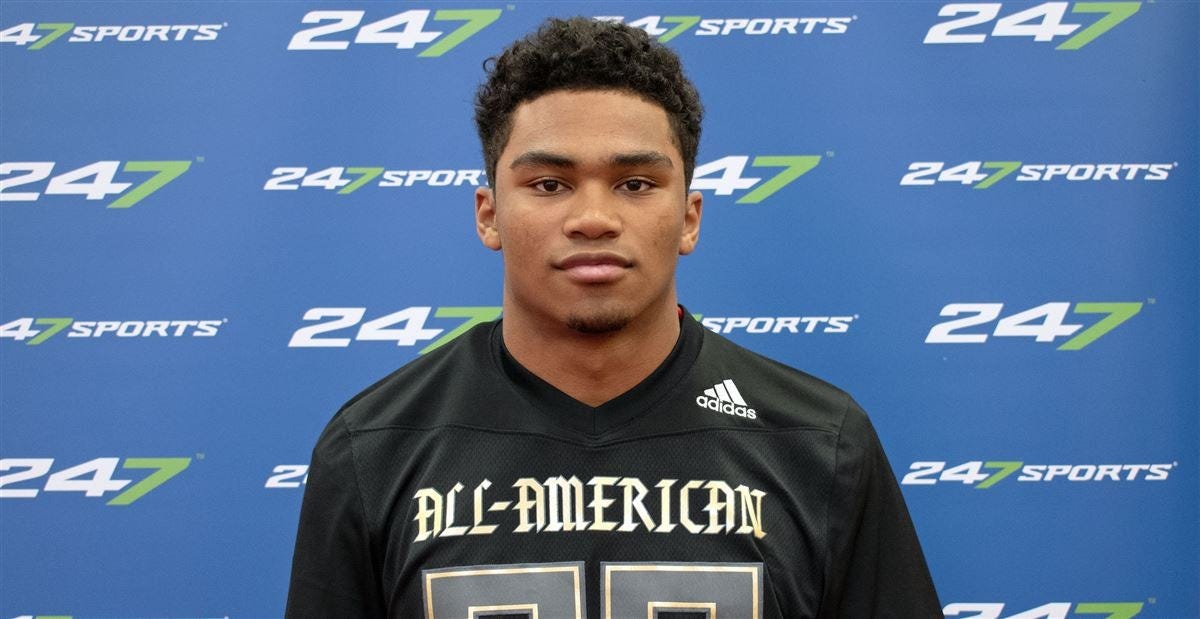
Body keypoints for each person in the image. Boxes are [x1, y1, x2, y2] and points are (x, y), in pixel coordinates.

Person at [285, 17, 940, 618]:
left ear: (689, 218)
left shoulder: (817, 442)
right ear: (489, 214)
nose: (594, 218)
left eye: (635, 184)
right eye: (549, 184)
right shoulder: (376, 446)